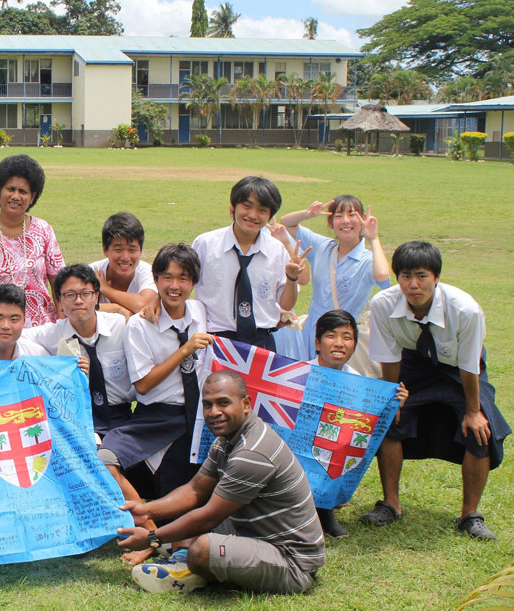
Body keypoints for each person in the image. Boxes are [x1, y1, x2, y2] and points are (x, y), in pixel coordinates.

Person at [117, 370, 325, 596]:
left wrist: (151, 538)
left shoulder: (252, 452)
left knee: (202, 550)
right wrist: (146, 510)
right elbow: (194, 490)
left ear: (246, 404)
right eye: (207, 405)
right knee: (187, 531)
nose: (214, 412)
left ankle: (190, 570)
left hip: (292, 563)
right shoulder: (227, 440)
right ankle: (185, 558)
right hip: (254, 533)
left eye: (223, 403)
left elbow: (210, 516)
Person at [364, 241, 510, 539]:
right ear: (397, 278)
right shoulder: (382, 304)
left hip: (460, 368)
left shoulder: (465, 310)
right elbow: (390, 359)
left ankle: (470, 515)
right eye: (406, 276)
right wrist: (393, 399)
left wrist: (473, 411)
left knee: (481, 428)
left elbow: (470, 366)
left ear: (436, 277)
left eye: (422, 276)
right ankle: (390, 504)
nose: (413, 285)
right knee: (389, 419)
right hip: (414, 362)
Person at [100, 244, 214, 564]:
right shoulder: (140, 324)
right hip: (154, 415)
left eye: (183, 278)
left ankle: (158, 537)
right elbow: (143, 384)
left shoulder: (200, 312)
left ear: (193, 282)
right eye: (167, 278)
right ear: (156, 279)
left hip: (195, 415)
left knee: (188, 491)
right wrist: (184, 350)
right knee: (105, 456)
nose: (174, 286)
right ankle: (146, 527)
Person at [0, 264, 130, 435]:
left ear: (96, 296)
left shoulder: (122, 326)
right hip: (73, 420)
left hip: (121, 415)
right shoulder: (48, 335)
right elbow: (4, 334)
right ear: (59, 300)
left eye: (85, 294)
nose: (78, 301)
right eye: (69, 295)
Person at [309, 309, 408, 538]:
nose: (339, 343)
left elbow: (373, 420)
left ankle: (325, 510)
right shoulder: (300, 374)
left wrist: (394, 401)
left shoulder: (359, 383)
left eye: (347, 337)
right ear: (317, 343)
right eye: (331, 336)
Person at [190, 176, 308, 352]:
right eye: (247, 206)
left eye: (262, 210)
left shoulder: (276, 250)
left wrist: (292, 278)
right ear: (232, 208)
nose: (253, 215)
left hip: (261, 342)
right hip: (215, 340)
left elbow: (286, 305)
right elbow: (183, 285)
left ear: (270, 216)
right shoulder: (206, 244)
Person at [275, 195, 390, 370]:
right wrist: (309, 214)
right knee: (305, 380)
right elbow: (287, 222)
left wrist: (373, 238)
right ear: (330, 223)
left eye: (352, 215)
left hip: (341, 337)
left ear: (363, 220)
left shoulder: (367, 260)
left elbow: (382, 276)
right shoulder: (323, 246)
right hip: (312, 332)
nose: (345, 221)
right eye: (338, 216)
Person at [0, 155, 65, 340]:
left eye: (23, 191)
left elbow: (59, 284)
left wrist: (63, 329)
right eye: (10, 189)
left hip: (40, 333)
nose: (16, 196)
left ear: (33, 197)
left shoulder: (44, 231)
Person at [90, 212, 158, 316]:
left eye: (132, 250)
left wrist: (106, 289)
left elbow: (143, 305)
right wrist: (117, 309)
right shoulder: (91, 272)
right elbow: (78, 309)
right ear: (105, 250)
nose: (125, 257)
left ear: (141, 251)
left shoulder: (149, 272)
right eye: (118, 249)